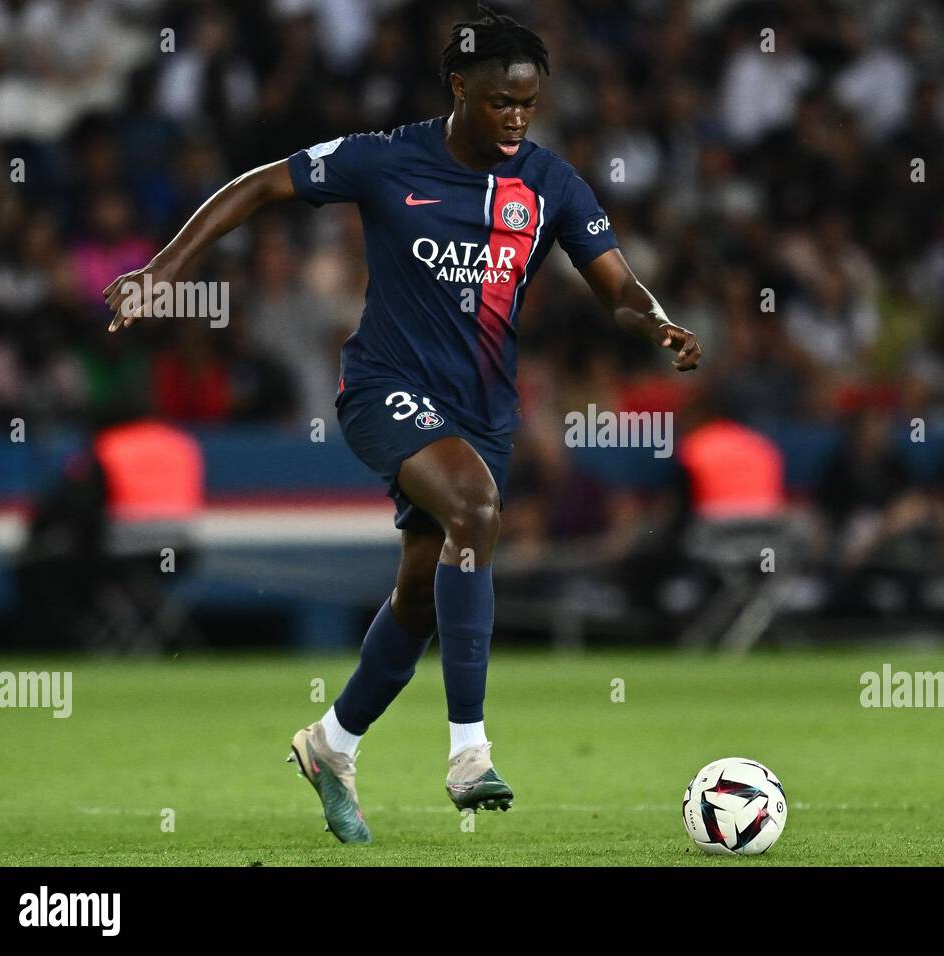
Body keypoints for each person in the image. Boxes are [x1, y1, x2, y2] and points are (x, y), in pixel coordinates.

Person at [103, 4, 702, 844]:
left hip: (483, 412)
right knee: (476, 507)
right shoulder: (386, 160)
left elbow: (616, 285)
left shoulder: (551, 184)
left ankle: (331, 743)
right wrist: (161, 269)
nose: (517, 119)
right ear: (461, 89)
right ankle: (468, 752)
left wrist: (659, 320)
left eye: (529, 105)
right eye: (502, 102)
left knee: (422, 596)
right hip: (383, 387)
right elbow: (258, 184)